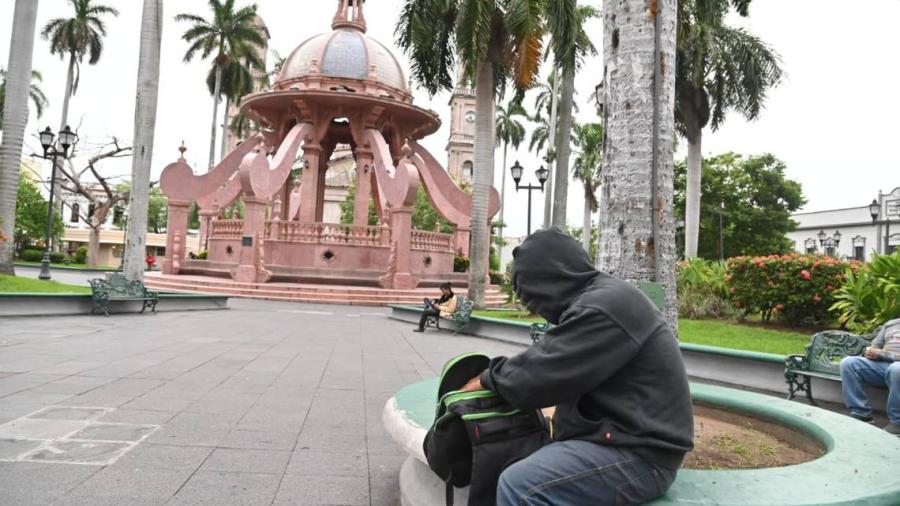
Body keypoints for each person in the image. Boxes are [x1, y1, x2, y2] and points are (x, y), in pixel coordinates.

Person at [460, 229, 693, 505]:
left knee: (520, 485)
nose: (538, 310)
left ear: (549, 279)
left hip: (641, 456)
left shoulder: (604, 307)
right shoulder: (600, 297)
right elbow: (549, 362)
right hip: (617, 438)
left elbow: (536, 377)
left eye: (532, 297)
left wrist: (487, 378)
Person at [839, 318, 900, 435]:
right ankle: (861, 413)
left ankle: (897, 422)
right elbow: (875, 346)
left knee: (896, 368)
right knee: (848, 363)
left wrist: (886, 355)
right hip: (885, 367)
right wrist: (871, 352)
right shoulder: (891, 324)